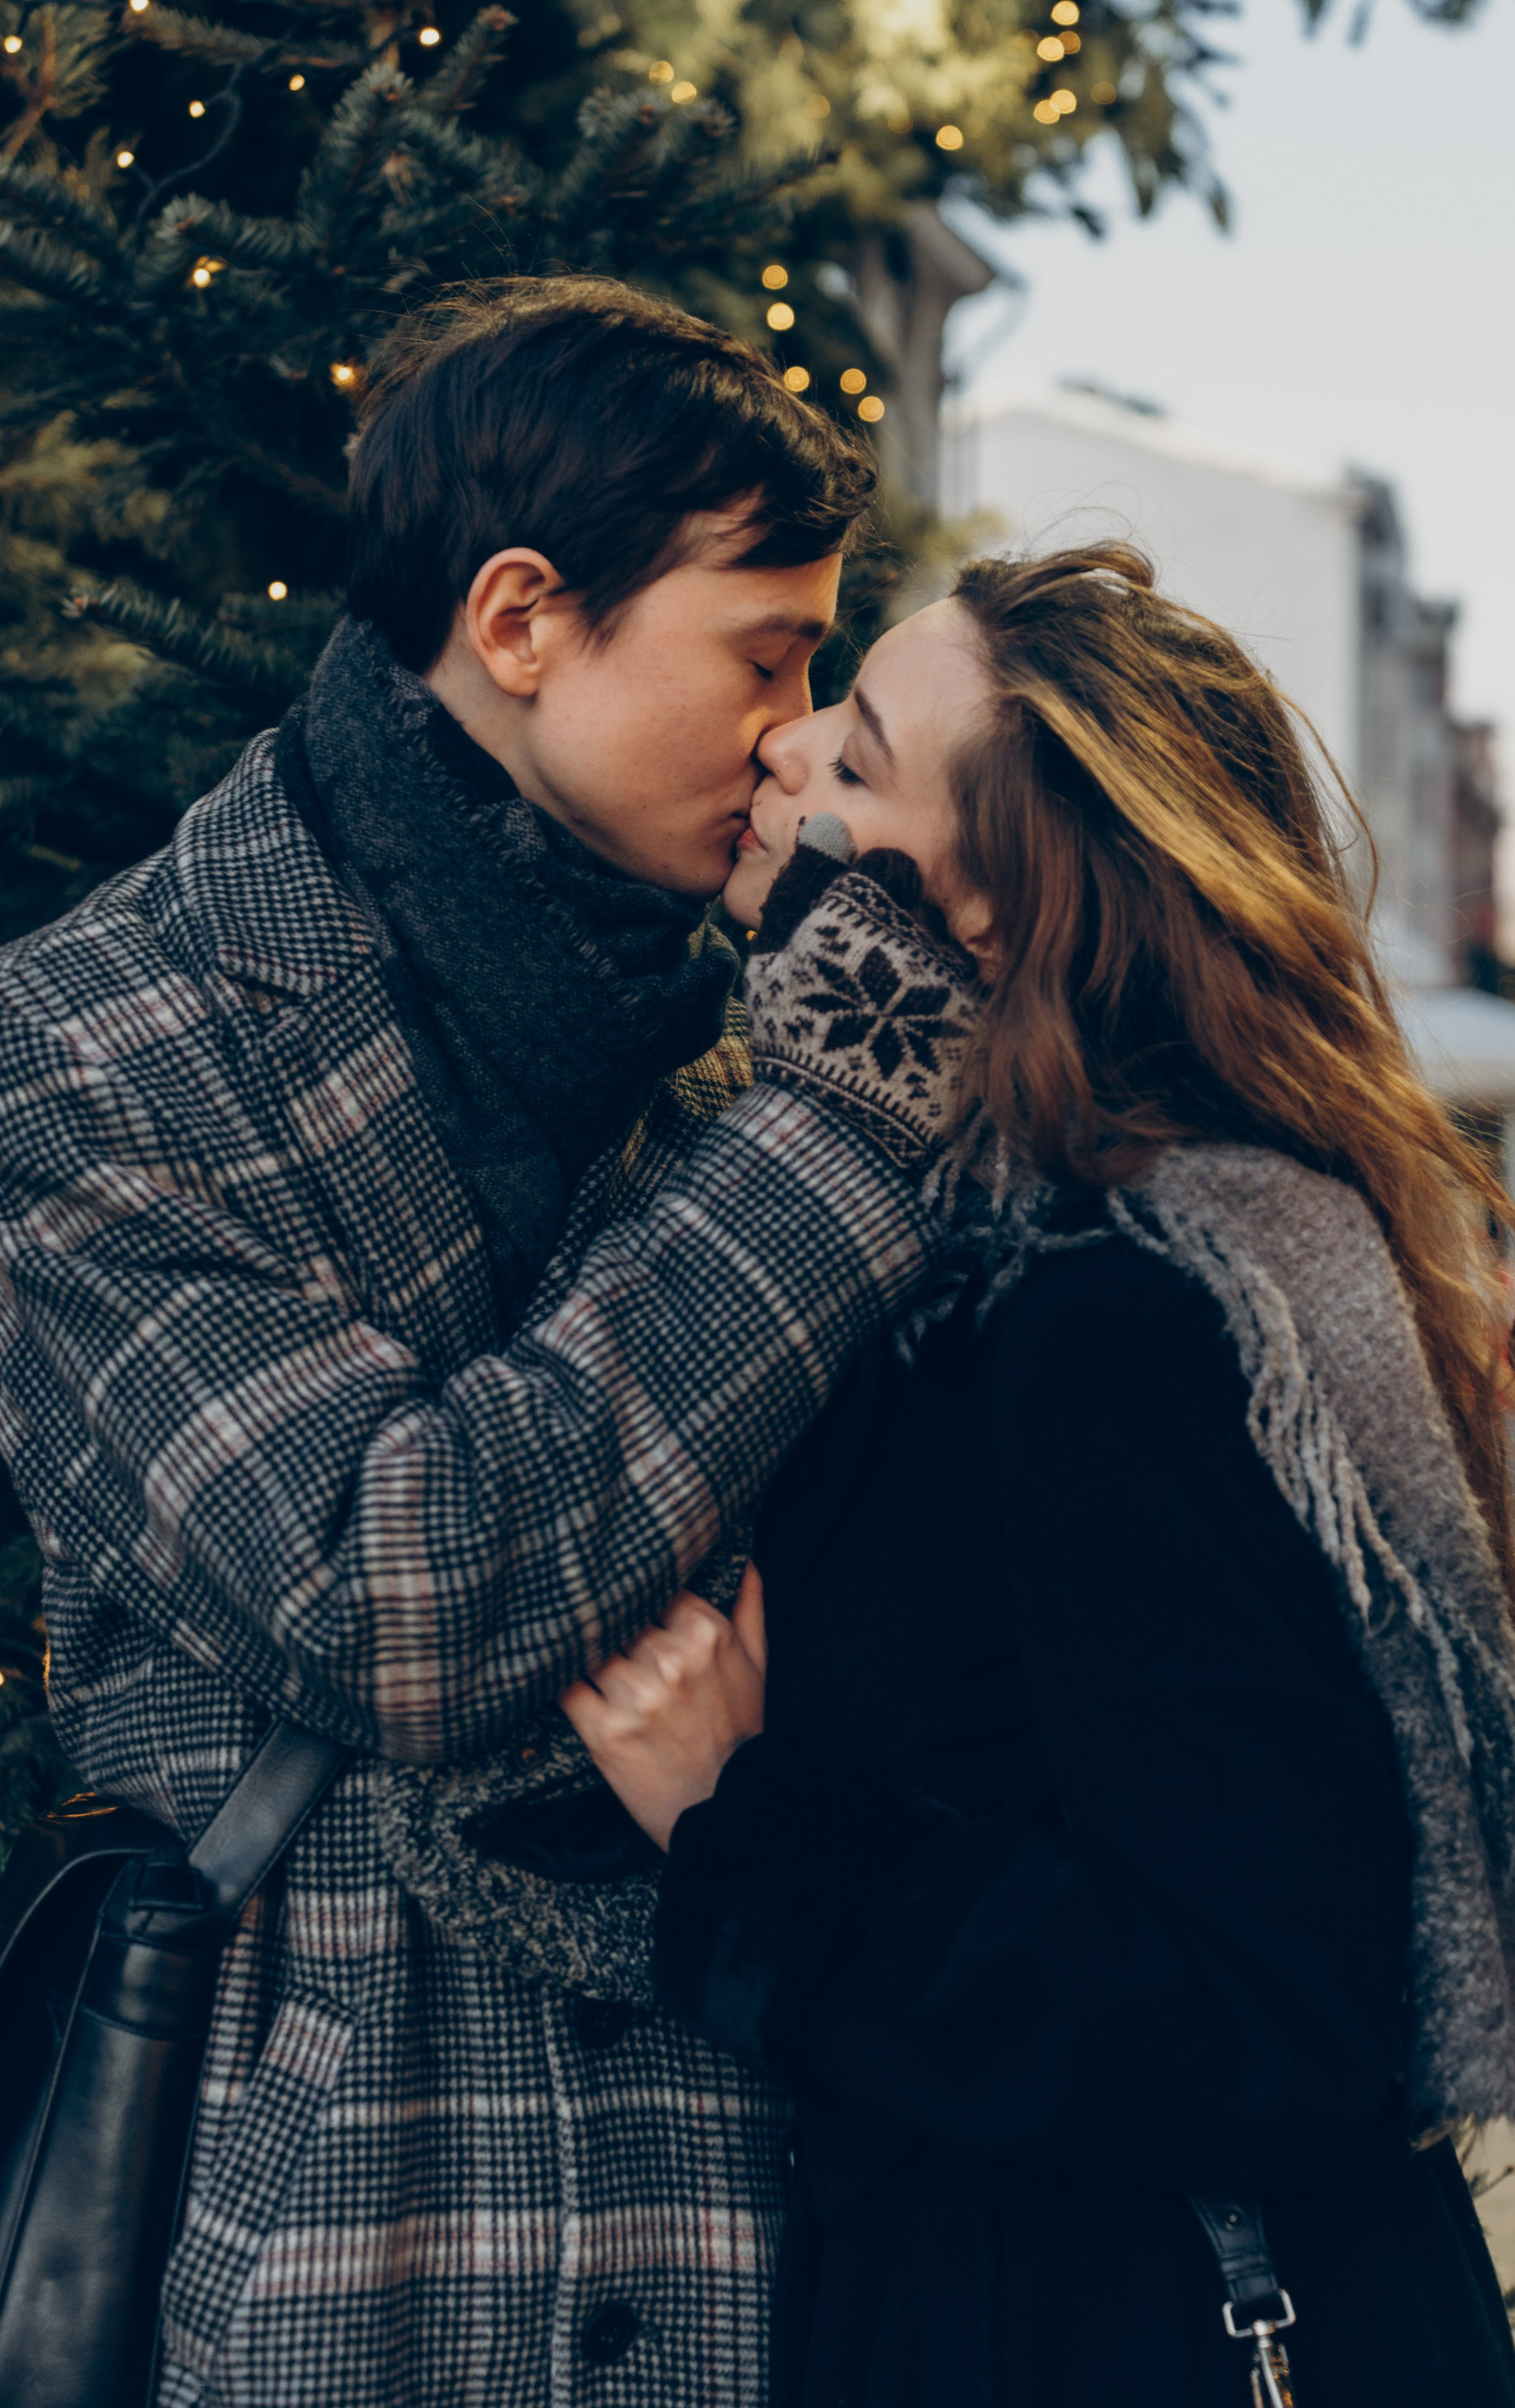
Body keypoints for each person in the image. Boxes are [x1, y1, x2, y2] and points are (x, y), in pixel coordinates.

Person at [564, 545, 1515, 2408]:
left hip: (1116, 2328)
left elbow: (1269, 2018)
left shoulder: (1114, 1310)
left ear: (994, 916)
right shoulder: (987, 1244)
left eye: (855, 761)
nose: (781, 758)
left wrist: (748, 1822)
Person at [0, 277, 981, 2407]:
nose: (804, 735)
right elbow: (396, 1592)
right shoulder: (89, 1053)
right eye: (766, 652)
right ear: (524, 620)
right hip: (357, 2224)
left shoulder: (760, 1017)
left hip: (782, 2213)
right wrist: (843, 1124)